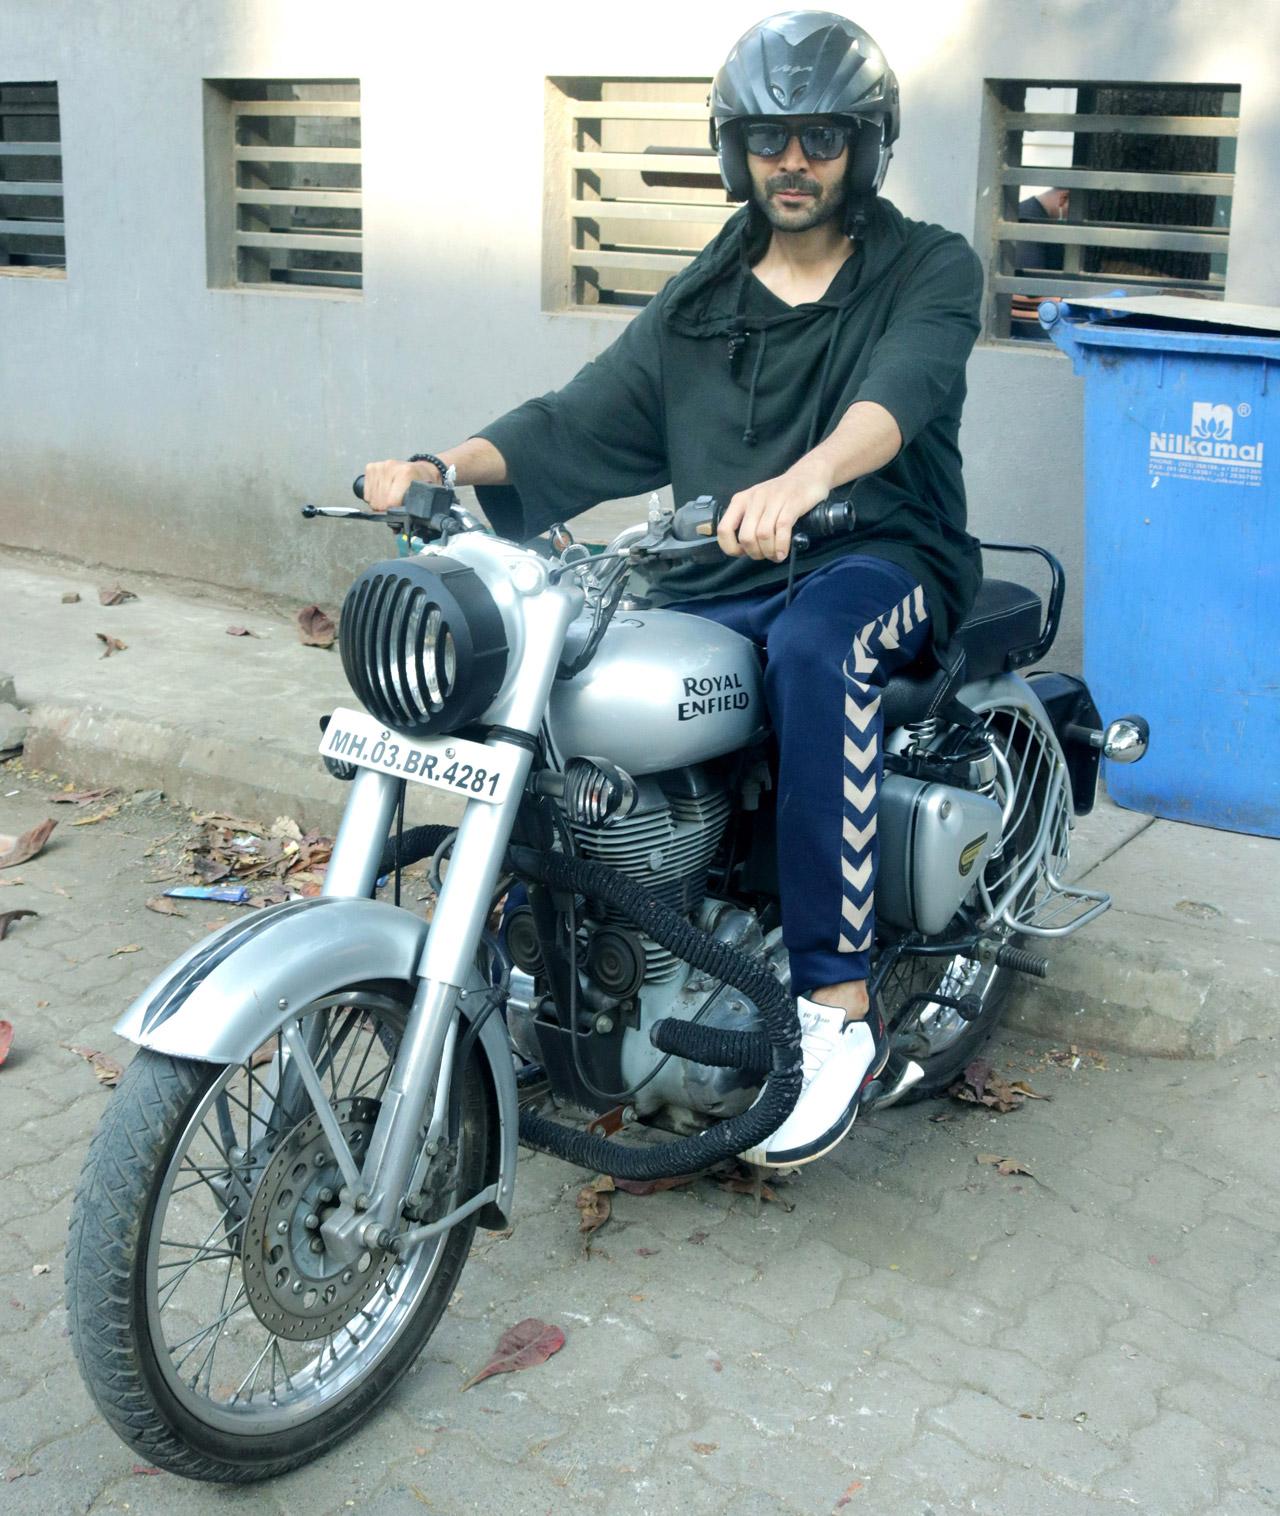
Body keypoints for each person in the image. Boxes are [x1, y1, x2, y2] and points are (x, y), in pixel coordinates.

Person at [362, 10, 984, 1168]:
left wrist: (802, 480)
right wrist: (444, 465)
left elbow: (899, 393)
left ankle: (834, 1008)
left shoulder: (926, 264)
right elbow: (583, 414)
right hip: (715, 564)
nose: (790, 162)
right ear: (733, 147)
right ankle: (563, 950)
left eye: (818, 137)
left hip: (878, 554)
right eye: (766, 138)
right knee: (582, 667)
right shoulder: (703, 297)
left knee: (816, 653)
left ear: (863, 146)